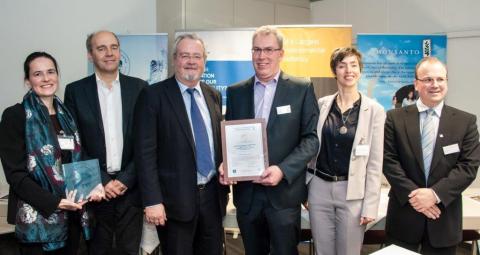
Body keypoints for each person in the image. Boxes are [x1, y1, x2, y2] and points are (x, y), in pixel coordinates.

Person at [219, 25, 319, 254]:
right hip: (247, 197)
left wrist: (283, 170)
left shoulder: (301, 88)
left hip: (283, 196)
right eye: (256, 50)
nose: (262, 56)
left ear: (281, 53)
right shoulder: (236, 92)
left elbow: (311, 140)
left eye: (268, 50)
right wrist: (228, 162)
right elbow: (230, 137)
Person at [134, 33, 229, 255]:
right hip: (173, 203)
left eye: (197, 56)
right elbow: (144, 153)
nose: (191, 61)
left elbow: (218, 143)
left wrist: (227, 164)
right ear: (175, 59)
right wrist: (152, 200)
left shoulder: (212, 95)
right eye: (185, 55)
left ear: (204, 61)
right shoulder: (153, 95)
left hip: (212, 199)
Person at [0, 52, 99, 254]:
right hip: (39, 220)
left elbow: (77, 159)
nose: (46, 78)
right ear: (28, 81)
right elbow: (15, 175)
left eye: (51, 72)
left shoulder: (68, 115)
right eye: (38, 74)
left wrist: (93, 185)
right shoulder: (15, 115)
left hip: (73, 217)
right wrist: (55, 202)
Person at [383, 57, 480, 255]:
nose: (434, 85)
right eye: (427, 79)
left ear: (447, 82)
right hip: (404, 217)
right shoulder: (395, 118)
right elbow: (388, 160)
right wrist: (417, 197)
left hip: (443, 219)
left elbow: (468, 167)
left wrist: (434, 195)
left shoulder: (465, 121)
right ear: (417, 84)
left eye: (440, 79)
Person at [64, 30, 147, 255]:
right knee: (96, 251)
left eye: (114, 47)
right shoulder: (75, 91)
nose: (109, 53)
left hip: (130, 190)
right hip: (94, 191)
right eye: (101, 48)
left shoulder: (140, 88)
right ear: (90, 55)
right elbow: (74, 142)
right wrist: (102, 180)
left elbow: (146, 142)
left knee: (129, 251)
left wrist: (124, 180)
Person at [306, 47, 385, 255]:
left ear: (360, 70)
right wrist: (305, 190)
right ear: (335, 71)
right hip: (319, 189)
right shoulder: (322, 105)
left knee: (349, 251)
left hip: (352, 192)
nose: (348, 70)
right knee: (323, 250)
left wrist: (370, 205)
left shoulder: (374, 111)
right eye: (342, 66)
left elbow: (375, 163)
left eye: (353, 65)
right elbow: (309, 148)